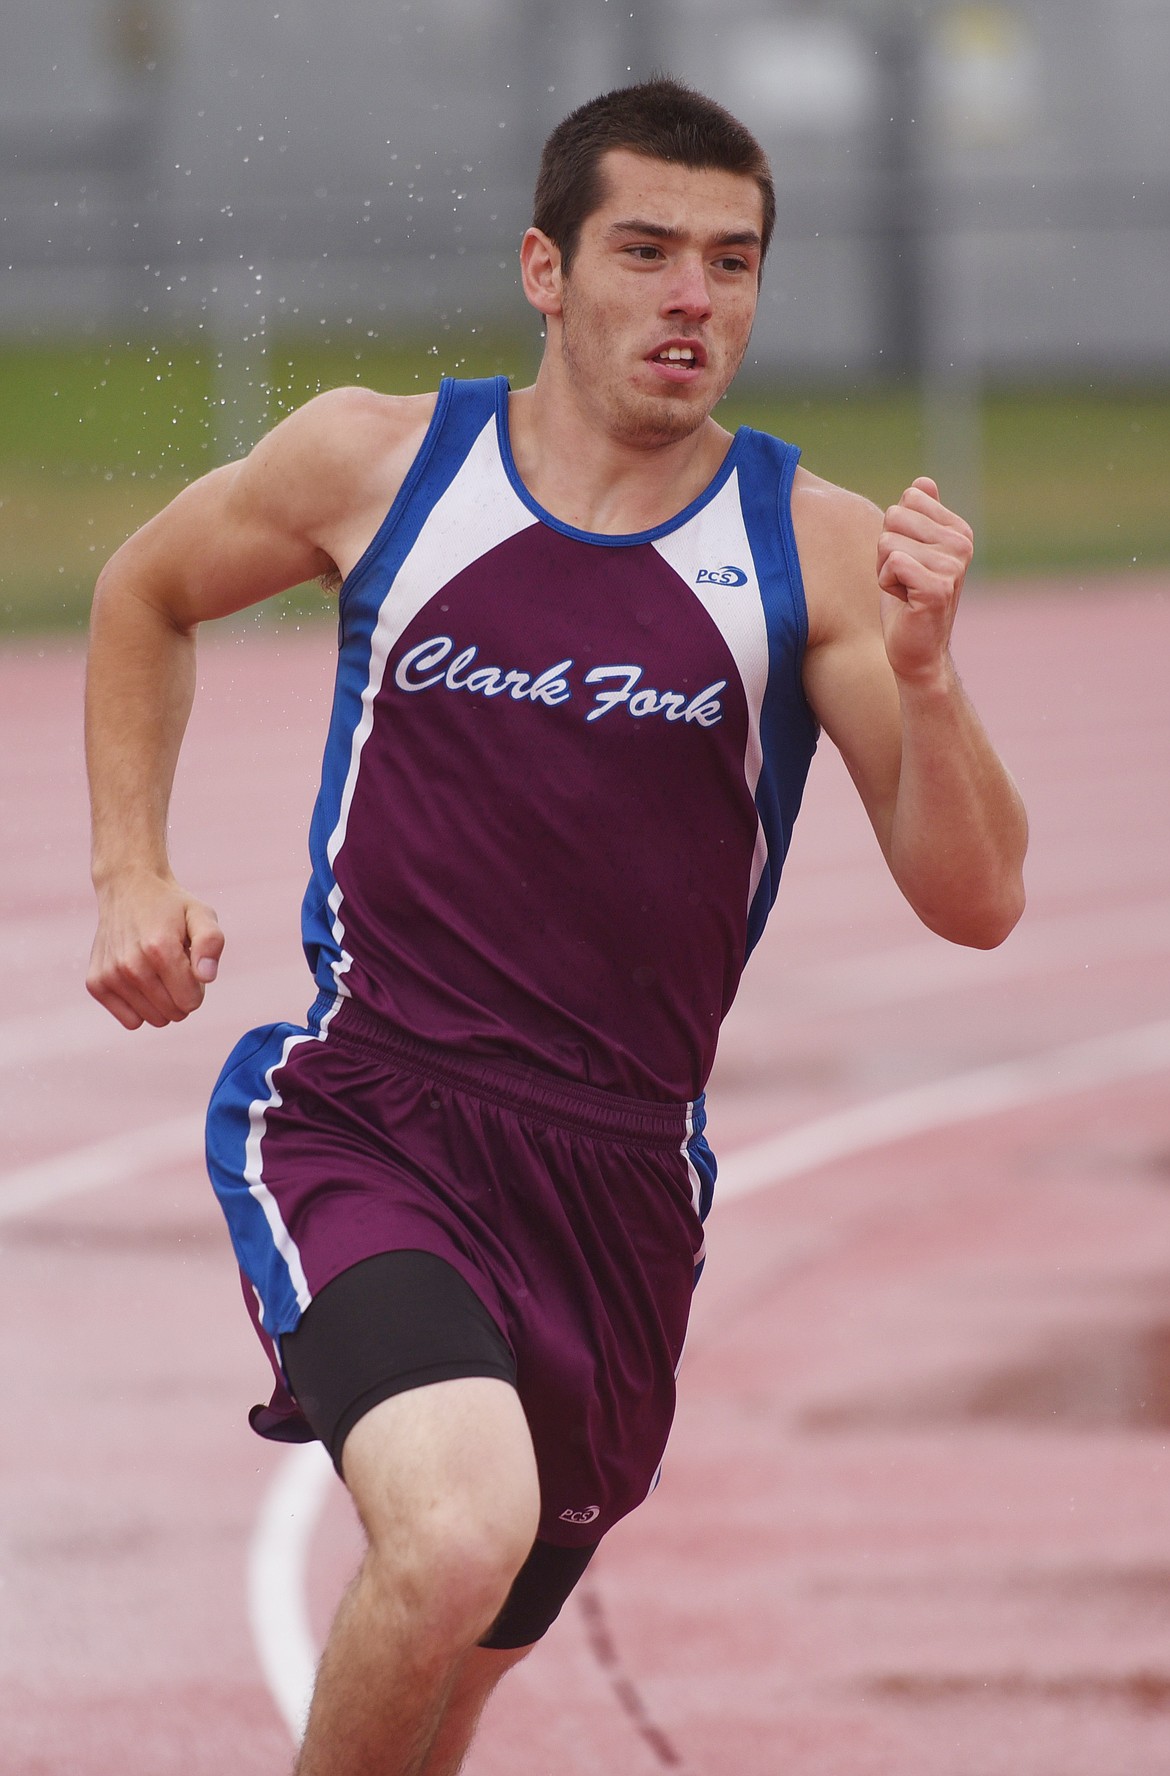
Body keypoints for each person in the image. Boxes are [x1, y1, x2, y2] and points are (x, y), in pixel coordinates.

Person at [85, 77, 1027, 1776]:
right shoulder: (381, 462)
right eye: (646, 251)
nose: (691, 298)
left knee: (450, 1680)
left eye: (729, 263)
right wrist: (128, 869)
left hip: (616, 1185)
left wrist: (928, 679)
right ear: (545, 267)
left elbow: (975, 905)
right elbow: (143, 589)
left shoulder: (809, 552)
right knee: (448, 1538)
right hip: (373, 1114)